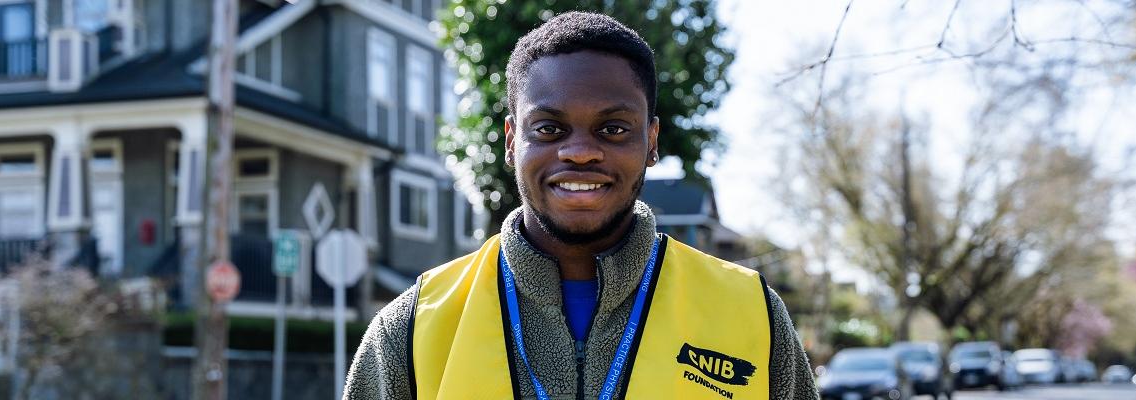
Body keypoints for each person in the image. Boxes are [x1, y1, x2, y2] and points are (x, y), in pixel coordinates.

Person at [344, 11, 819, 400]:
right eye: (549, 128)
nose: (580, 151)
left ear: (651, 141)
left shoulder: (750, 312)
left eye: (613, 129)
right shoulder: (413, 327)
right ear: (512, 141)